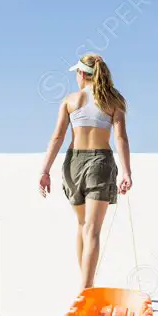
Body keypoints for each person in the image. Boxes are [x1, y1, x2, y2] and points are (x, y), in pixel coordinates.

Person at [39, 53, 132, 290]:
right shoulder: (114, 101)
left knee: (82, 226)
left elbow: (58, 137)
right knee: (92, 229)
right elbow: (121, 137)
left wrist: (45, 170)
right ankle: (86, 289)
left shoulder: (71, 100)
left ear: (82, 74)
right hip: (100, 163)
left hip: (73, 164)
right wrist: (126, 172)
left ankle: (85, 286)